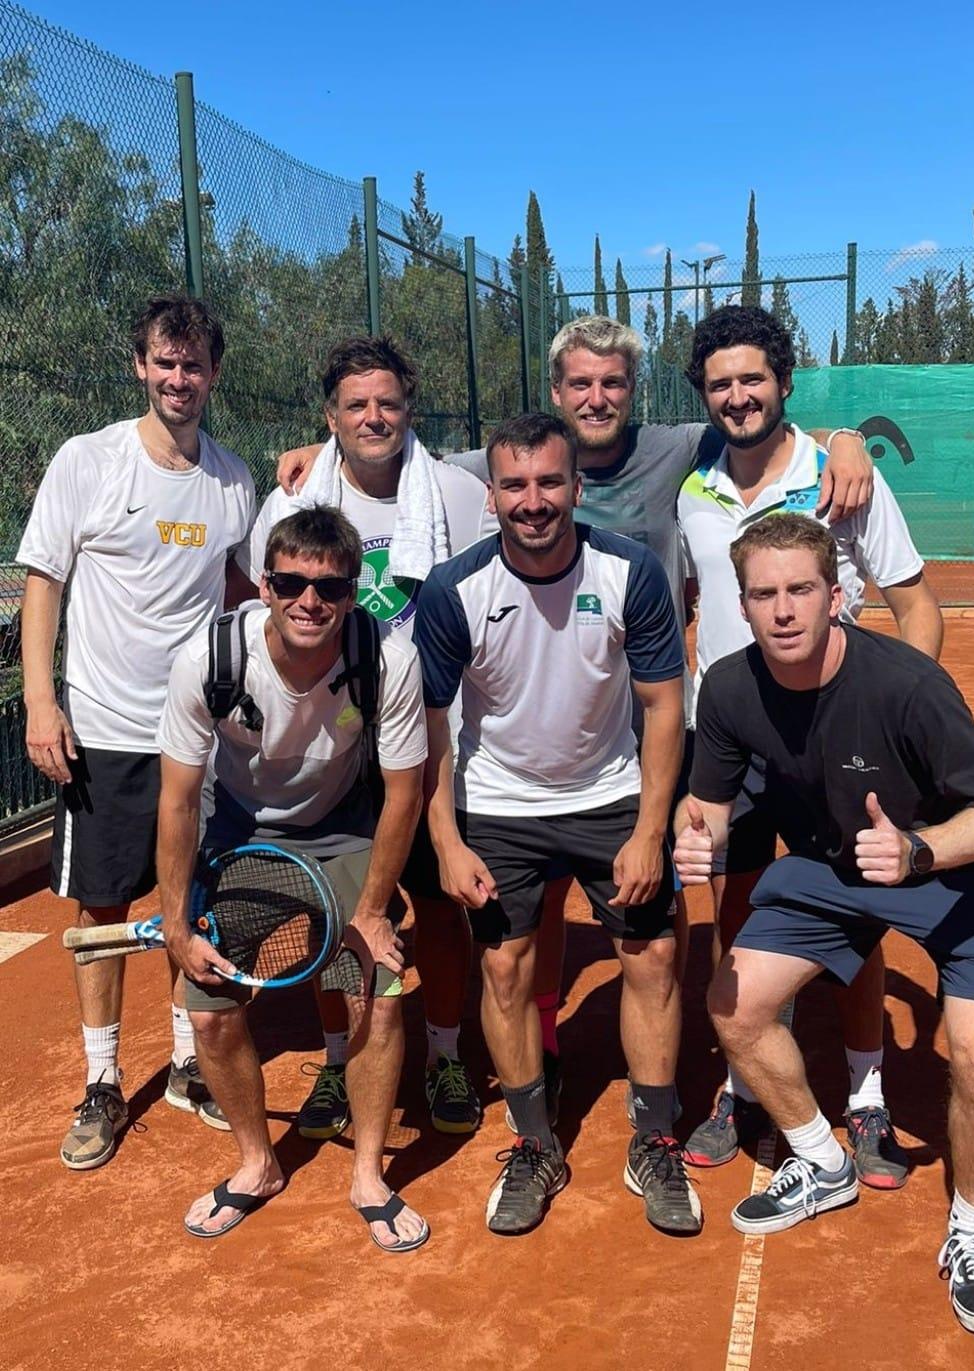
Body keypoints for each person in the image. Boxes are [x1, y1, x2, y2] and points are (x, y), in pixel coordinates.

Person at [276, 315, 873, 1121]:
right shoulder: (494, 479)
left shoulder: (676, 450)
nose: (597, 397)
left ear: (632, 397)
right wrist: (326, 457)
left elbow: (758, 417)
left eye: (613, 383)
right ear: (555, 398)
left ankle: (712, 1085)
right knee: (526, 925)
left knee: (683, 920)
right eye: (581, 384)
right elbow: (388, 446)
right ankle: (540, 1064)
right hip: (505, 755)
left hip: (633, 744)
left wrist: (845, 440)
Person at [674, 514, 974, 1336]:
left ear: (837, 595)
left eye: (801, 589)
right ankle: (822, 1161)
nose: (784, 609)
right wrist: (700, 838)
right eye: (765, 594)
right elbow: (712, 807)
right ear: (742, 603)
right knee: (734, 1003)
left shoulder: (905, 683)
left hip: (954, 869)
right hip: (836, 869)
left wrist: (918, 849)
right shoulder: (728, 688)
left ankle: (973, 1235)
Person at [676, 305, 943, 1185]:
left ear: (784, 383)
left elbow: (913, 603)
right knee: (739, 905)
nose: (738, 395)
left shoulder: (842, 477)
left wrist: (896, 720)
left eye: (753, 378)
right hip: (736, 735)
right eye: (720, 383)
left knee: (857, 917)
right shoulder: (691, 480)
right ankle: (741, 1083)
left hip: (841, 741)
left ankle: (865, 1097)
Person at [415, 412, 700, 1237]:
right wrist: (446, 838)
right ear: (493, 494)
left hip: (609, 795)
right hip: (497, 803)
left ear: (578, 488)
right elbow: (430, 729)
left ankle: (654, 1136)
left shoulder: (629, 571)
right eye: (514, 485)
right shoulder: (452, 590)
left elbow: (661, 705)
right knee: (503, 971)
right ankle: (535, 1144)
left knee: (650, 956)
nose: (532, 501)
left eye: (549, 483)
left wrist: (650, 830)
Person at [18, 294, 256, 1169]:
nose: (179, 378)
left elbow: (241, 592)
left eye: (194, 365)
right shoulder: (89, 461)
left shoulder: (233, 479)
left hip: (195, 736)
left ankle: (191, 1062)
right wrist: (42, 702)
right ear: (141, 367)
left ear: (213, 375)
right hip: (105, 731)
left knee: (187, 898)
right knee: (105, 907)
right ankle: (103, 1080)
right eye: (165, 361)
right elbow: (43, 581)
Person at [238, 336, 496, 1139]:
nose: (373, 416)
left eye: (387, 402)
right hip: (333, 749)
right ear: (330, 416)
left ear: (408, 410)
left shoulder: (456, 491)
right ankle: (338, 1058)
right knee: (336, 914)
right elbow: (264, 612)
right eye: (355, 405)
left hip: (433, 739)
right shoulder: (288, 500)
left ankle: (445, 1052)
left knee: (445, 910)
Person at [157, 506, 429, 1250]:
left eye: (331, 587)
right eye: (291, 582)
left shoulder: (387, 658)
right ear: (265, 584)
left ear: (351, 592)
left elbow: (405, 791)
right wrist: (176, 923)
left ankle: (370, 1172)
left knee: (373, 986)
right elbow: (178, 799)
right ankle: (257, 1164)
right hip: (240, 831)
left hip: (345, 827)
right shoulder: (209, 658)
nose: (310, 600)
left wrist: (372, 911)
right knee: (209, 1006)